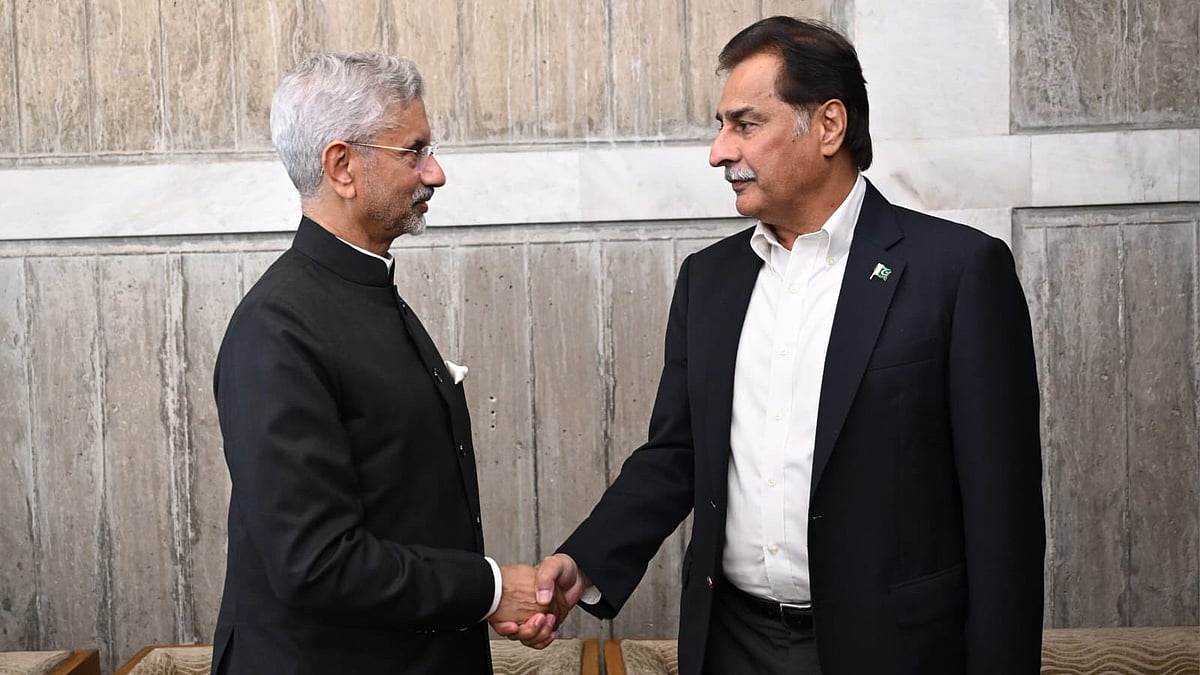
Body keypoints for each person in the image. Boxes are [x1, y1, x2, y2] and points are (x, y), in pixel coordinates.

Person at [501, 16, 1045, 675]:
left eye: (744, 124)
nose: (719, 151)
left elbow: (1003, 520)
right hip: (732, 645)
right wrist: (582, 559)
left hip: (896, 650)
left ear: (828, 127)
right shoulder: (710, 279)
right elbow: (678, 453)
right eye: (721, 125)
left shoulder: (958, 274)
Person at [211, 52, 555, 674]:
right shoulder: (277, 328)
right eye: (414, 151)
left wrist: (489, 599)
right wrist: (493, 589)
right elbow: (315, 563)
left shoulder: (365, 291)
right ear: (342, 166)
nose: (437, 172)